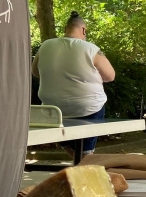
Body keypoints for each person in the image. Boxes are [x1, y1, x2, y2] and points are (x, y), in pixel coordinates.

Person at [32, 11, 115, 157]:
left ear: (65, 29)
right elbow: (110, 76)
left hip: (53, 111)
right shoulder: (90, 48)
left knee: (74, 150)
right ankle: (85, 159)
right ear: (83, 30)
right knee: (85, 154)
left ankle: (80, 159)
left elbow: (35, 72)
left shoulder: (45, 46)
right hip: (88, 108)